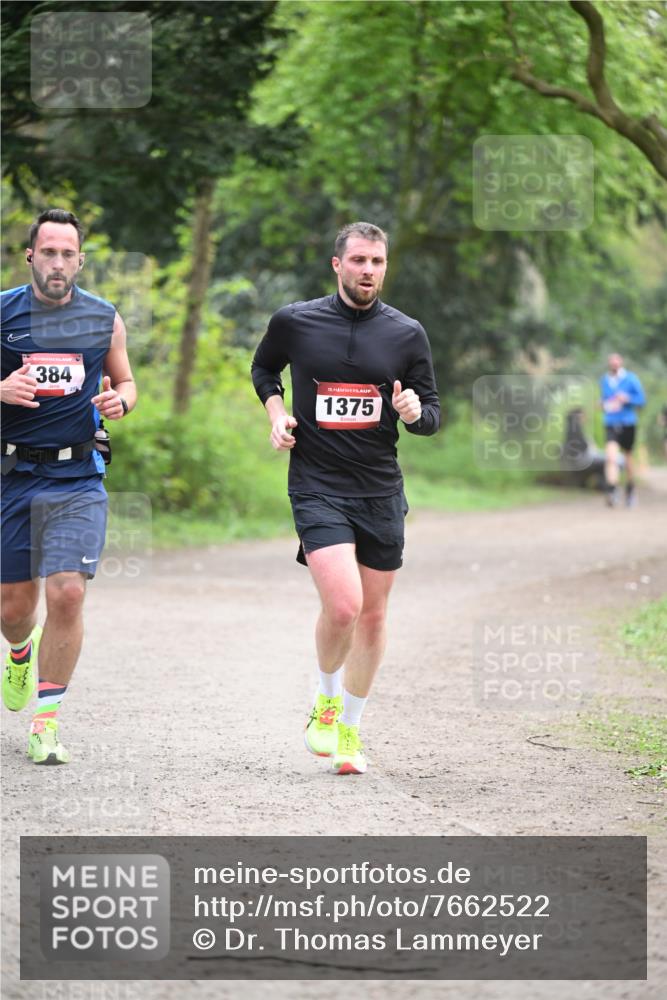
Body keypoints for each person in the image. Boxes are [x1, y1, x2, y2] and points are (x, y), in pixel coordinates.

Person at [251, 222, 440, 775]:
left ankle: (351, 732)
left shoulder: (407, 334)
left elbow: (431, 413)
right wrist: (277, 414)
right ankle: (326, 699)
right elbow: (264, 368)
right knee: (343, 606)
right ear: (337, 265)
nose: (368, 271)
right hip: (317, 484)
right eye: (358, 260)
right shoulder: (296, 321)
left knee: (373, 617)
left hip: (379, 490)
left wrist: (414, 413)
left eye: (377, 262)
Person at [1, 208, 136, 764]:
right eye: (48, 252)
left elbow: (126, 380)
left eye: (67, 254)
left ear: (80, 260)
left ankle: (47, 722)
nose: (58, 263)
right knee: (13, 609)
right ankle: (18, 651)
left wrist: (120, 401)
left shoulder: (103, 317)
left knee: (68, 592)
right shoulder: (3, 312)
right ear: (30, 255)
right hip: (11, 476)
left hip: (77, 477)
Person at [599, 353, 645, 508]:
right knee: (610, 457)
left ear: (621, 363)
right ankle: (612, 490)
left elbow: (641, 400)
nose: (614, 365)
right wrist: (603, 403)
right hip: (611, 422)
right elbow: (604, 399)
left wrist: (627, 398)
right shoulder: (605, 380)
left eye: (616, 362)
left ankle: (630, 488)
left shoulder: (631, 379)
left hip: (628, 423)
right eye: (611, 362)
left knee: (628, 458)